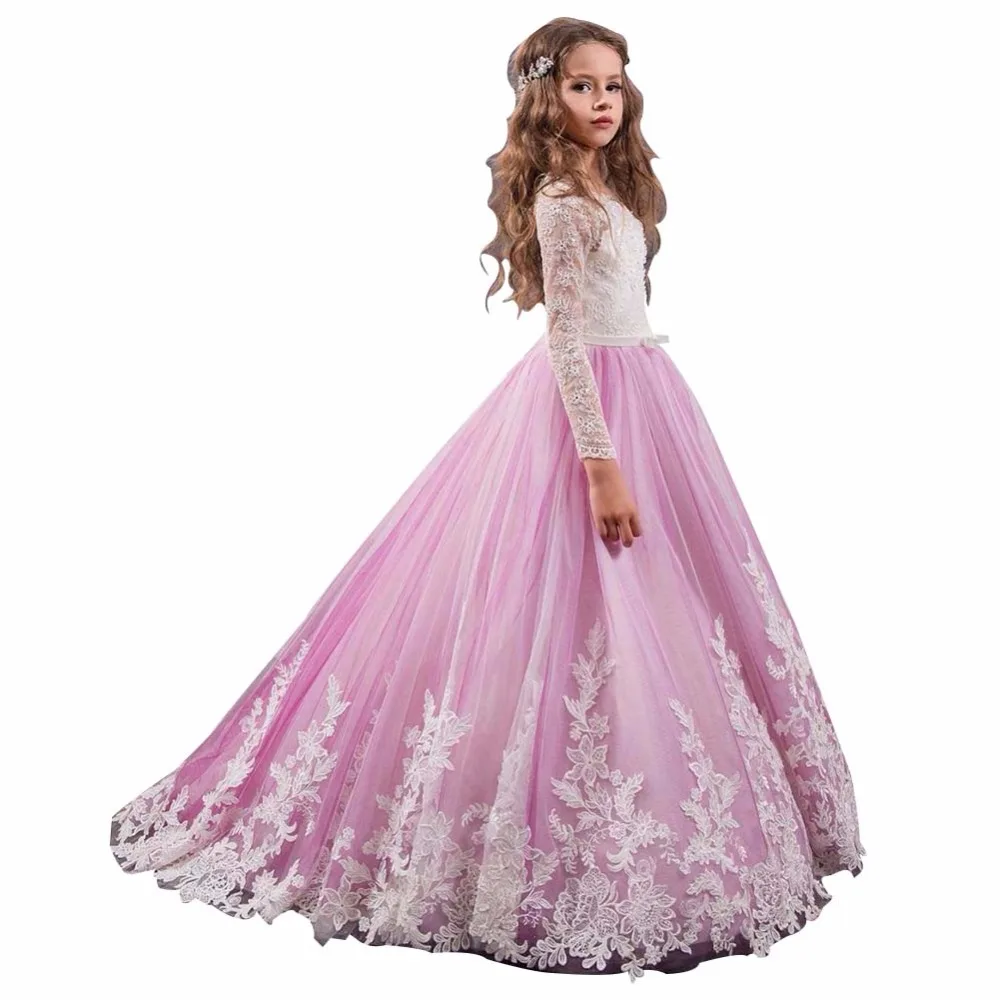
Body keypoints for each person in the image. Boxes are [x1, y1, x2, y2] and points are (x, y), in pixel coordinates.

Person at [110, 17, 865, 982]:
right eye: (583, 86)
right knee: (551, 604)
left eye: (615, 84)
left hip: (652, 400)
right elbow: (566, 338)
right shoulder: (559, 198)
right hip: (589, 416)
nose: (603, 101)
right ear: (548, 97)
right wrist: (600, 463)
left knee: (669, 607)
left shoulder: (614, 185)